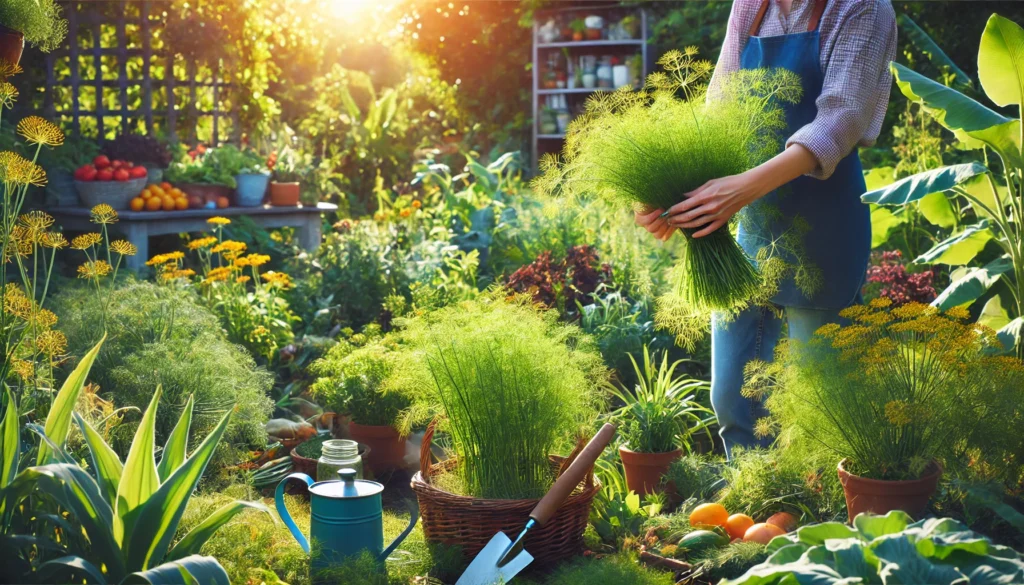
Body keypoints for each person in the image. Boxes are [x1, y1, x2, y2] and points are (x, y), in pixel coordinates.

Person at [635, 0, 897, 456]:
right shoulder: (752, 5)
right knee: (733, 399)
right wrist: (673, 192)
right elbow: (720, 107)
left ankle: (820, 520)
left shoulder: (861, 7)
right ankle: (749, 508)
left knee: (817, 408)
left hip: (824, 230)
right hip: (752, 233)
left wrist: (741, 189)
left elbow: (841, 119)